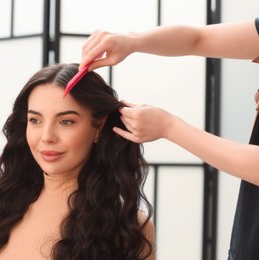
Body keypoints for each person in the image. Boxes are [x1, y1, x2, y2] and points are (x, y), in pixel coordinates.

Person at [80, 18, 259, 260]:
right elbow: (198, 39)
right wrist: (132, 40)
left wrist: (169, 126)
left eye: (66, 120)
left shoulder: (131, 227)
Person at [0, 63, 155, 260]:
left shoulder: (127, 227)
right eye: (35, 120)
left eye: (66, 121)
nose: (47, 137)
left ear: (98, 127)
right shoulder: (4, 209)